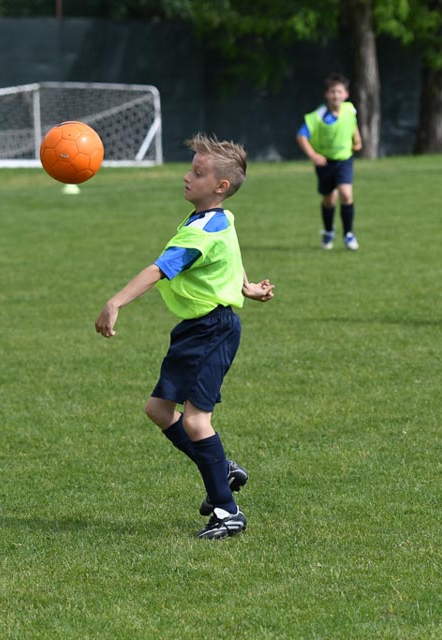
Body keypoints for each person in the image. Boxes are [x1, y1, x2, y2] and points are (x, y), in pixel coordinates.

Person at [94, 133, 275, 540]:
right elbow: (230, 253)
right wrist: (246, 287)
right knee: (159, 410)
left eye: (197, 172)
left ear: (220, 186)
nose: (186, 177)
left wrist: (115, 302)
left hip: (212, 330)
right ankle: (221, 470)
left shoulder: (201, 232)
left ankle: (227, 512)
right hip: (196, 330)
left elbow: (158, 270)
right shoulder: (216, 219)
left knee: (195, 421)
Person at [297, 72, 363, 250]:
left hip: (344, 160)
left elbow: (352, 123)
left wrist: (357, 139)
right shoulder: (317, 116)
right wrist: (313, 155)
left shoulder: (349, 109)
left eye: (340, 92)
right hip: (325, 163)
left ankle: (349, 234)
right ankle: (328, 231)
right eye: (333, 92)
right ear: (326, 94)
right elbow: (301, 136)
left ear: (346, 94)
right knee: (329, 200)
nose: (336, 95)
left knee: (346, 194)